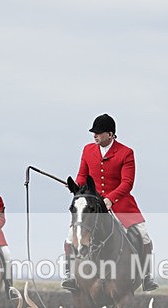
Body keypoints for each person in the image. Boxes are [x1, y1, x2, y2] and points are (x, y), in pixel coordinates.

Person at [61, 113, 159, 292]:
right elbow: (83, 175)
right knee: (71, 236)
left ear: (111, 134)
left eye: (99, 132)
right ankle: (70, 274)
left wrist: (110, 199)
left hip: (120, 203)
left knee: (144, 236)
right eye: (94, 132)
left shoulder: (126, 152)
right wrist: (77, 189)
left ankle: (146, 276)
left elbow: (127, 183)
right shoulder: (87, 150)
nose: (95, 135)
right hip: (92, 204)